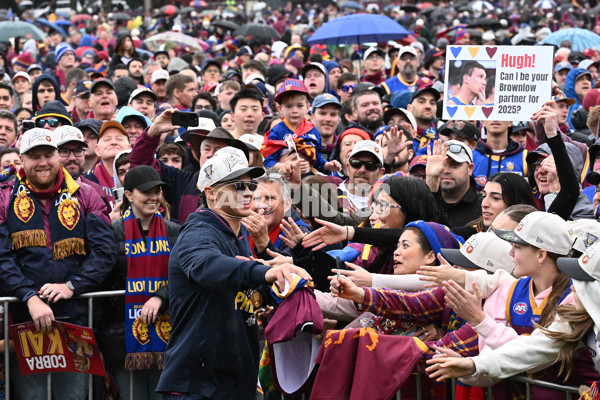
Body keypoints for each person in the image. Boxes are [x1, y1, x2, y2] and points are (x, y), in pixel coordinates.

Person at [156, 147, 310, 399]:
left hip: (235, 380)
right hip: (198, 384)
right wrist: (263, 272)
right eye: (238, 186)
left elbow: (257, 296)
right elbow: (206, 265)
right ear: (211, 193)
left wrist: (266, 259)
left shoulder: (239, 236)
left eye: (250, 185)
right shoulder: (199, 231)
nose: (248, 192)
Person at [0, 127, 115, 400]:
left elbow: (105, 252)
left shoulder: (86, 194)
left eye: (48, 154)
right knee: (33, 396)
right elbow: (2, 257)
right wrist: (29, 297)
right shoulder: (4, 199)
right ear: (23, 160)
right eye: (34, 156)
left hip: (76, 319)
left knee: (73, 395)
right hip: (25, 322)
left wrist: (72, 286)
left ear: (57, 157)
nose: (42, 162)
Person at [100, 166, 180, 400]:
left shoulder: (175, 231)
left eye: (157, 191)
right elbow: (102, 280)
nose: (154, 197)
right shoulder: (111, 232)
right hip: (121, 337)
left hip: (169, 334)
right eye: (146, 192)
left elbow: (185, 276)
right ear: (129, 195)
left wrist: (161, 295)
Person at [262, 79, 341, 175]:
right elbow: (268, 162)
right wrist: (284, 165)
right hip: (284, 180)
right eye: (288, 106)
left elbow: (317, 157)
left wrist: (327, 165)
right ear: (280, 109)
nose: (294, 110)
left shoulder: (312, 129)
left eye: (300, 106)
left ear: (307, 108)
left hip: (309, 178)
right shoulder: (276, 131)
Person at [426, 139, 483, 229]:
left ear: (470, 169)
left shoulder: (483, 206)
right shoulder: (422, 200)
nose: (446, 170)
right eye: (442, 164)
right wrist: (431, 180)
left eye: (455, 165)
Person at [407, 87, 439, 157]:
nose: (428, 106)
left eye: (432, 103)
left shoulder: (441, 139)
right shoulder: (403, 138)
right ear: (409, 108)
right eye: (421, 102)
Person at [311, 94, 342, 158]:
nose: (328, 119)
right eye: (322, 113)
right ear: (312, 117)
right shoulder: (300, 147)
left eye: (333, 114)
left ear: (339, 119)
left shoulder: (344, 149)